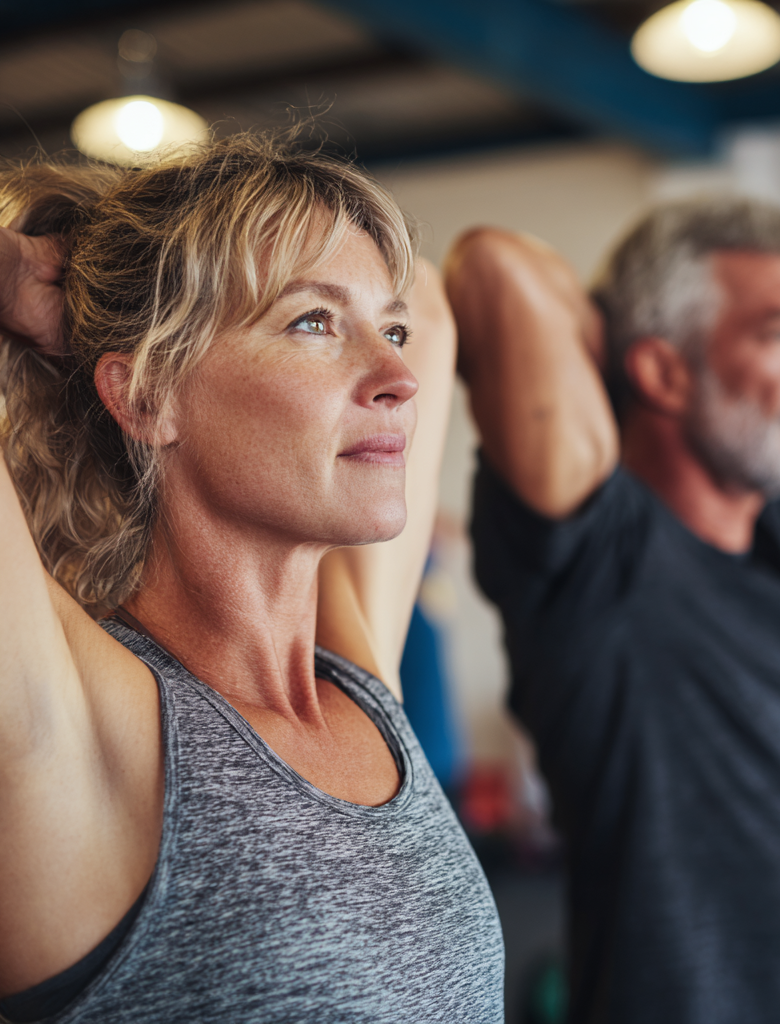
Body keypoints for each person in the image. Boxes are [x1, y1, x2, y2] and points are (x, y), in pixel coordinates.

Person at [0, 133, 504, 1023]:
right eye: (313, 322)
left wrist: (114, 270)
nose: (399, 376)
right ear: (148, 395)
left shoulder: (361, 684)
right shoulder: (80, 733)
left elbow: (428, 294)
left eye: (388, 332)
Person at [445, 197, 780, 1024]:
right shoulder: (598, 552)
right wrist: (637, 328)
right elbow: (496, 268)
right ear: (663, 373)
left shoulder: (768, 524)